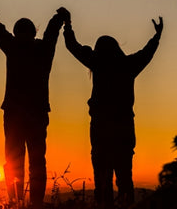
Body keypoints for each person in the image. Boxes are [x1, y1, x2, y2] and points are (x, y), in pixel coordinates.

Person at [63, 14, 163, 208]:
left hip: (101, 126)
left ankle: (104, 205)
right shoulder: (128, 65)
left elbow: (72, 46)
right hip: (125, 126)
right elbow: (147, 53)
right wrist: (157, 36)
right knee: (125, 175)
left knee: (102, 175)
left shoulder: (97, 62)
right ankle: (126, 204)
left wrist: (68, 25)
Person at [0, 0, 68, 208]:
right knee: (36, 161)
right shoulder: (42, 49)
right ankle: (34, 202)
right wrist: (60, 18)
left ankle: (16, 201)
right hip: (35, 113)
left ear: (17, 32)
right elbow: (51, 34)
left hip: (16, 114)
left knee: (15, 160)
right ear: (32, 32)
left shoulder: (13, 46)